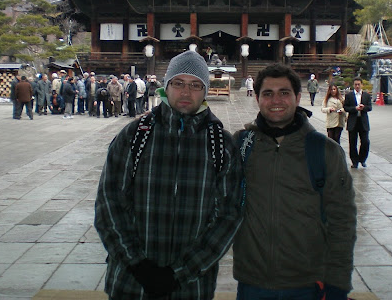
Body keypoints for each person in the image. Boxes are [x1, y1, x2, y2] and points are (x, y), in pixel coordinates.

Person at [95, 50, 243, 300]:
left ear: (205, 90)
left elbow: (228, 216)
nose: (186, 92)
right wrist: (137, 265)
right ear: (166, 86)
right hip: (131, 284)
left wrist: (181, 273)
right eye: (178, 83)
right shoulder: (135, 135)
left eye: (196, 85)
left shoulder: (221, 144)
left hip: (191, 286)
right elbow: (110, 204)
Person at [233, 64, 356, 300]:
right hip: (251, 281)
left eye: (284, 92)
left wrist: (337, 285)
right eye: (267, 93)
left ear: (298, 97)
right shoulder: (242, 144)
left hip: (308, 282)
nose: (275, 100)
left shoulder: (325, 151)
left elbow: (343, 222)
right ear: (257, 98)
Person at [343, 77, 372, 168]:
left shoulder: (366, 95)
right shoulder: (349, 95)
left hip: (363, 121)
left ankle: (362, 159)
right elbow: (346, 107)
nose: (357, 86)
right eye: (355, 84)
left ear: (361, 85)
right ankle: (354, 161)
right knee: (352, 142)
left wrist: (364, 108)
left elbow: (370, 107)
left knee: (365, 142)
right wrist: (354, 109)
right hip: (353, 121)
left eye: (359, 84)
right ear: (353, 85)